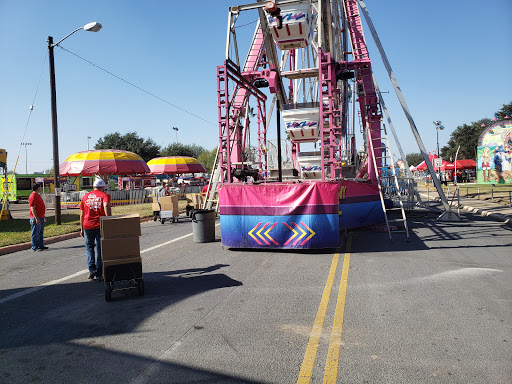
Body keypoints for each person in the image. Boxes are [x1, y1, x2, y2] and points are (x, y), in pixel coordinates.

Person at [80, 178, 111, 280]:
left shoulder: (85, 197)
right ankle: (99, 274)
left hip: (87, 226)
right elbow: (106, 205)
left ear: (93, 187)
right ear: (102, 187)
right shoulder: (104, 195)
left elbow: (81, 214)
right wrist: (109, 219)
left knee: (89, 248)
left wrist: (81, 228)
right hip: (99, 225)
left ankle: (91, 270)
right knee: (100, 249)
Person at [28, 183, 48, 252]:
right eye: (40, 187)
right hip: (36, 217)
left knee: (40, 232)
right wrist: (36, 218)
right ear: (37, 188)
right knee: (35, 232)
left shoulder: (37, 195)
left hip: (41, 216)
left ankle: (40, 245)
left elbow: (40, 207)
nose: (41, 188)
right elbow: (33, 208)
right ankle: (34, 246)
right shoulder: (33, 196)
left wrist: (43, 215)